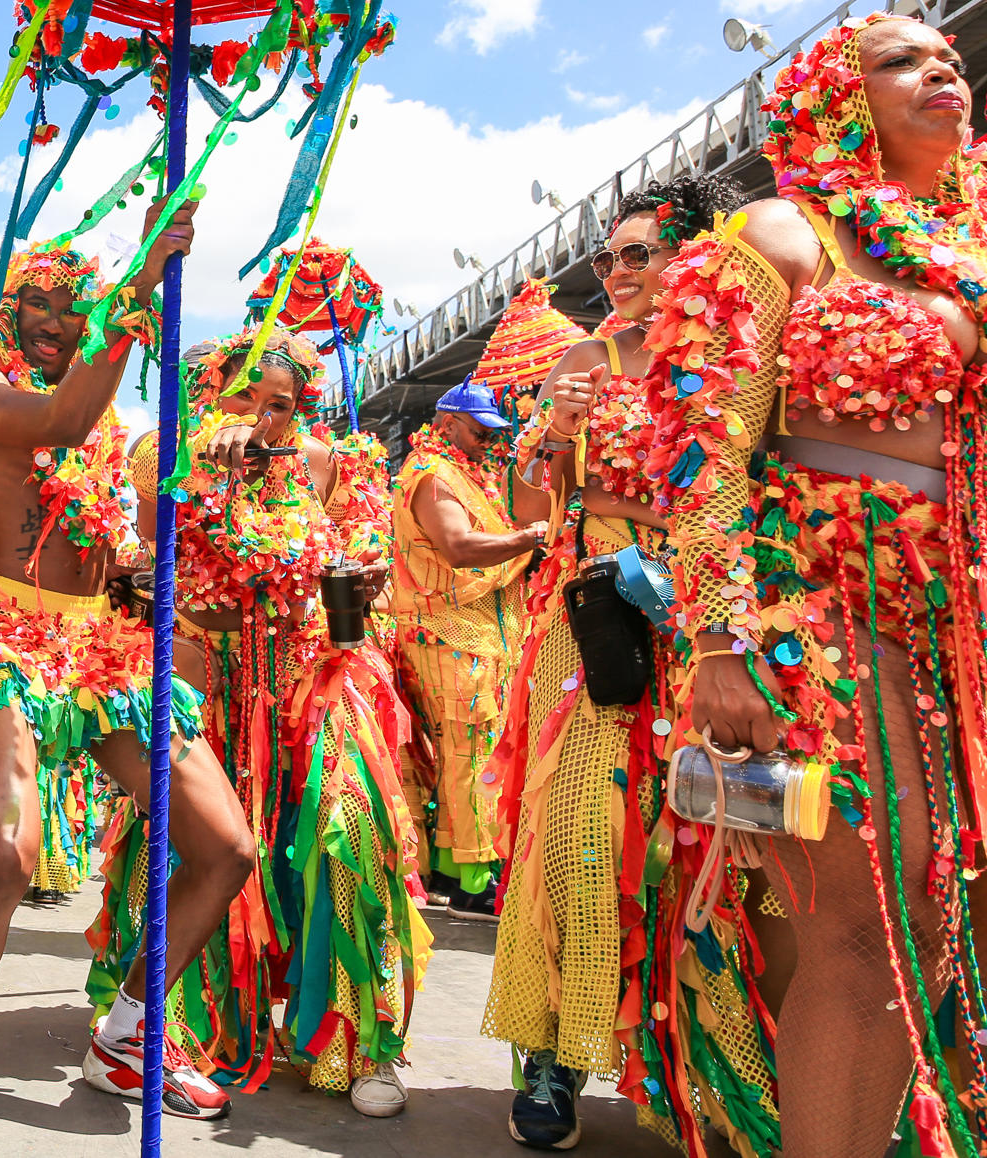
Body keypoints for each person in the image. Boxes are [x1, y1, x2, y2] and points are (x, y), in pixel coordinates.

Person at [644, 13, 987, 1158]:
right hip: (830, 619)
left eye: (949, 55)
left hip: (970, 629)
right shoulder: (783, 234)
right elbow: (702, 451)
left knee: (956, 937)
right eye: (900, 59)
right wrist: (721, 643)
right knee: (872, 939)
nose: (941, 67)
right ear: (835, 101)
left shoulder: (971, 241)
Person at [0, 211, 257, 1158]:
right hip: (2, 648)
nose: (57, 323)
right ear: (5, 313)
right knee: (5, 857)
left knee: (226, 848)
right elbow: (67, 417)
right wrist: (138, 284)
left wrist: (186, 493)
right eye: (39, 306)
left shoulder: (115, 438)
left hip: (104, 658)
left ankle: (126, 1035)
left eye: (75, 307)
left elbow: (138, 479)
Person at [485, 177, 778, 1154]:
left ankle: (719, 1075)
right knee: (579, 829)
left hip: (719, 612)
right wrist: (556, 427)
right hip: (598, 613)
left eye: (637, 253)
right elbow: (533, 485)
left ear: (695, 257)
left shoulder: (744, 351)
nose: (615, 272)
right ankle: (552, 1055)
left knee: (713, 842)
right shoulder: (584, 357)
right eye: (607, 257)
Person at [92, 326, 428, 1117]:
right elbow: (146, 533)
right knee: (191, 851)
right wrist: (204, 461)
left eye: (280, 404)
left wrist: (363, 571)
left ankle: (361, 1042)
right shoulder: (164, 455)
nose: (263, 417)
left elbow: (366, 551)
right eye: (246, 394)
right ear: (212, 390)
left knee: (349, 836)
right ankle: (169, 1032)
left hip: (313, 681)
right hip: (207, 688)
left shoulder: (329, 464)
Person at [390, 379, 542, 917]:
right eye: (479, 432)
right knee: (470, 755)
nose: (485, 442)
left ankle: (461, 873)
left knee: (467, 754)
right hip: (450, 637)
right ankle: (475, 881)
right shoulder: (433, 477)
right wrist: (532, 538)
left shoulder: (458, 473)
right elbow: (458, 549)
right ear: (448, 422)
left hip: (473, 636)